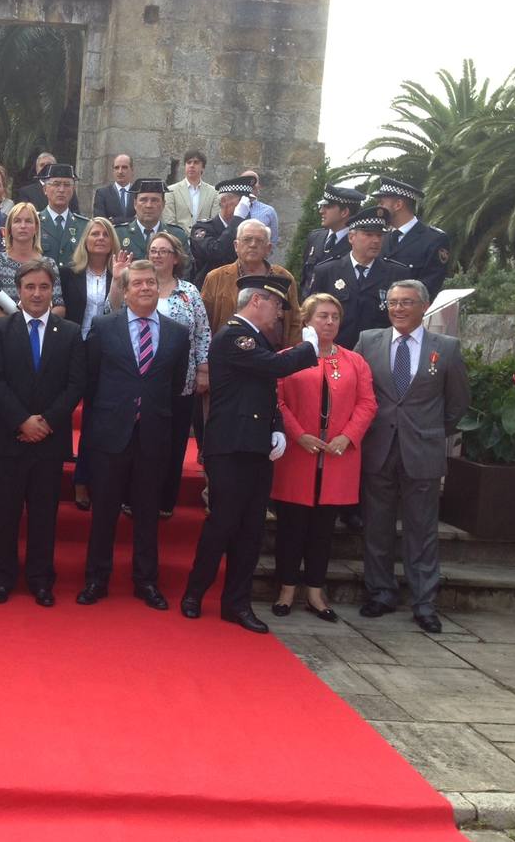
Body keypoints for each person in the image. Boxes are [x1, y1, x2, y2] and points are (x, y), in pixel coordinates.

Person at [181, 274, 318, 633]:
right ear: (256, 301)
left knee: (251, 530)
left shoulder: (257, 339)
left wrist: (274, 425)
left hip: (255, 445)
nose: (279, 314)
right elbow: (275, 368)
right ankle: (195, 592)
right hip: (230, 446)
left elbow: (265, 387)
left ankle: (236, 603)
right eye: (275, 305)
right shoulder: (234, 336)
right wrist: (310, 347)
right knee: (223, 523)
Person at [356, 280, 470, 634]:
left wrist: (431, 431)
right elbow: (360, 392)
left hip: (423, 451)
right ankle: (380, 592)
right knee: (377, 527)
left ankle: (424, 602)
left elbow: (457, 403)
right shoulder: (368, 341)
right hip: (379, 449)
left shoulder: (446, 348)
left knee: (422, 531)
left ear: (424, 306)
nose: (398, 309)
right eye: (392, 303)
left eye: (406, 302)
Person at [77, 260, 191, 611]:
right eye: (137, 283)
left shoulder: (177, 333)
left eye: (150, 283)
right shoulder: (104, 326)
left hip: (153, 435)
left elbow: (174, 386)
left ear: (159, 289)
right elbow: (91, 382)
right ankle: (97, 578)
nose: (145, 288)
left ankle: (146, 581)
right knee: (105, 512)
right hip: (111, 433)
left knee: (146, 513)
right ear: (124, 292)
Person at [0, 259, 85, 606]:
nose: (37, 293)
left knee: (44, 515)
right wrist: (22, 421)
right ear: (19, 292)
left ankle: (41, 580)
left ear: (52, 290)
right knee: (4, 514)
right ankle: (1, 579)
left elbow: (75, 385)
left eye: (43, 287)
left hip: (50, 441)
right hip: (7, 439)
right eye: (30, 287)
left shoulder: (69, 332)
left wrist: (47, 422)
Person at [270, 293, 376, 621]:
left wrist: (348, 436)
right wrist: (298, 434)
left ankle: (316, 591)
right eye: (322, 317)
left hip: (335, 458)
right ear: (307, 321)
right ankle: (286, 588)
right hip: (297, 457)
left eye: (334, 317)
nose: (329, 322)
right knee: (291, 527)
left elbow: (367, 403)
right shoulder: (288, 358)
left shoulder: (354, 361)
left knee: (322, 530)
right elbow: (277, 400)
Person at [144, 232, 210, 517]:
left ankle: (164, 501)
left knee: (173, 441)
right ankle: (136, 497)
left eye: (163, 251)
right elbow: (115, 314)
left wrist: (204, 370)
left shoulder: (189, 292)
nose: (157, 255)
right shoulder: (138, 286)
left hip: (181, 381)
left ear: (175, 257)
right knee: (142, 442)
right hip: (142, 380)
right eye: (153, 250)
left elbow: (203, 333)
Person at [59, 217, 120, 511]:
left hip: (104, 352)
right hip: (71, 349)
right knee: (60, 410)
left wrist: (119, 280)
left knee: (95, 419)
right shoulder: (69, 273)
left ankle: (83, 479)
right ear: (85, 239)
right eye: (94, 233)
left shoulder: (119, 274)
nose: (99, 238)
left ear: (112, 242)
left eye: (105, 234)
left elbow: (120, 312)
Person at [308, 206, 411, 349]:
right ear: (351, 237)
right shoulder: (326, 271)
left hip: (378, 353)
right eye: (368, 234)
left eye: (379, 235)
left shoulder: (397, 274)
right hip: (336, 353)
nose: (376, 241)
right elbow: (310, 315)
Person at [201, 218, 301, 350]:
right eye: (247, 239)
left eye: (259, 241)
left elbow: (295, 322)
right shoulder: (216, 278)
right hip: (228, 357)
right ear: (236, 246)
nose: (253, 245)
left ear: (268, 248)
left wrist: (293, 357)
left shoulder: (284, 277)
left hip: (275, 358)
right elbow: (203, 324)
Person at [0, 202, 65, 319]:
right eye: (17, 221)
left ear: (36, 227)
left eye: (28, 221)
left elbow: (59, 306)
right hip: (8, 330)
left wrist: (39, 322)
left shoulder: (49, 264)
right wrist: (12, 325)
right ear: (10, 228)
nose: (23, 226)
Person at [373, 177, 451, 300]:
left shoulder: (433, 239)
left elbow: (429, 286)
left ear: (398, 205)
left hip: (410, 314)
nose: (378, 208)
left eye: (382, 203)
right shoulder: (382, 237)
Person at [188, 175, 256, 287]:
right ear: (224, 201)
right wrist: (237, 218)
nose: (246, 207)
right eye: (242, 202)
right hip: (211, 290)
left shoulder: (246, 229)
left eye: (249, 203)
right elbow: (217, 253)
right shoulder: (202, 228)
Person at [301, 184, 364, 294]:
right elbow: (305, 278)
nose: (321, 211)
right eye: (322, 206)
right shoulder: (315, 237)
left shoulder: (358, 243)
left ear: (344, 212)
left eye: (328, 207)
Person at [114, 179, 190, 265]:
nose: (149, 205)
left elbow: (185, 269)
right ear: (135, 204)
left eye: (154, 200)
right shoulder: (119, 234)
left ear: (163, 204)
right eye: (143, 200)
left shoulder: (177, 235)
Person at [38, 163, 89, 268]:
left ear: (73, 189)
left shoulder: (84, 226)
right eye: (56, 184)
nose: (61, 190)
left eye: (67, 185)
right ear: (45, 190)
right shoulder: (35, 222)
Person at [163, 149, 220, 234]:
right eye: (189, 162)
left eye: (196, 163)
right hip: (178, 241)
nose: (192, 166)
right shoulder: (171, 191)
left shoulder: (214, 192)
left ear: (203, 167)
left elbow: (214, 221)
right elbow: (169, 221)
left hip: (204, 241)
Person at [16, 151, 82, 214]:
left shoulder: (67, 189)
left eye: (49, 165)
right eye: (42, 165)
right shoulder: (26, 192)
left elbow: (75, 212)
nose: (45, 168)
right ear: (36, 169)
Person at [239, 169, 279, 247]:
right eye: (245, 182)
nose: (249, 185)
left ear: (259, 187)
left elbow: (273, 240)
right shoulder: (231, 208)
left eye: (253, 182)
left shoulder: (269, 211)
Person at [93, 154, 134, 225]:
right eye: (116, 168)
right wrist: (132, 219)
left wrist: (113, 220)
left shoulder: (138, 192)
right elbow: (100, 222)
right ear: (113, 171)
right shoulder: (102, 193)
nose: (120, 171)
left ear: (132, 170)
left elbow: (144, 220)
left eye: (124, 167)